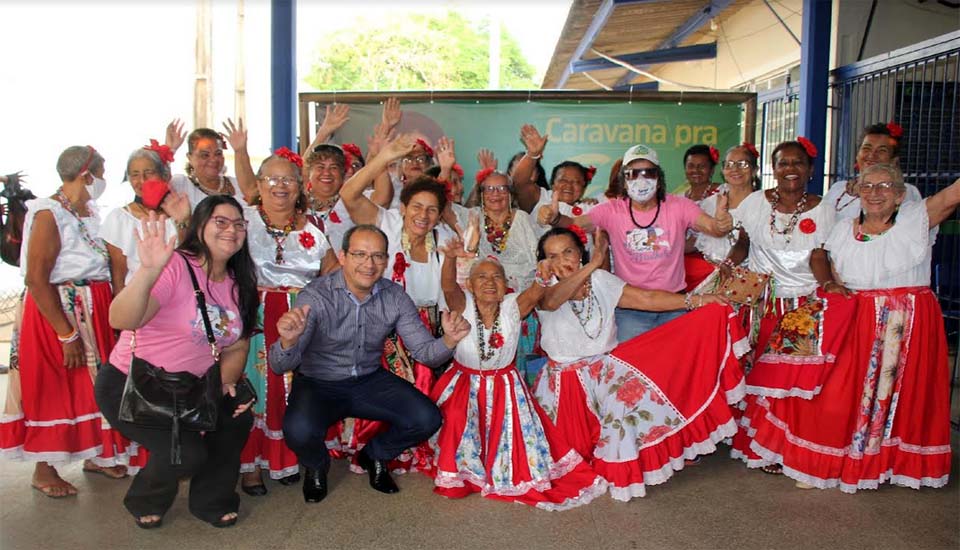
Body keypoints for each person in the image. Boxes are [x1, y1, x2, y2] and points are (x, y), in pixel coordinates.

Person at [739, 166, 960, 491]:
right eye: (867, 185)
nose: (875, 192)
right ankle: (828, 460)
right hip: (856, 322)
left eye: (885, 186)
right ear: (857, 191)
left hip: (907, 325)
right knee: (839, 394)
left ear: (900, 193)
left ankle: (887, 462)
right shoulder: (842, 230)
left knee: (900, 396)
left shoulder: (916, 220)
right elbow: (829, 269)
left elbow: (953, 194)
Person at [531, 228, 744, 500]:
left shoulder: (600, 280)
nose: (563, 260)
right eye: (553, 255)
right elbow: (551, 302)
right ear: (544, 262)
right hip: (563, 386)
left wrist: (697, 300)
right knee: (565, 463)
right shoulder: (542, 285)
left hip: (604, 371)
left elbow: (646, 298)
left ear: (580, 253)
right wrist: (594, 264)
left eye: (569, 251)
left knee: (633, 398)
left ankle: (638, 461)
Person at [269, 224, 471, 503]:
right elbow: (280, 366)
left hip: (368, 379)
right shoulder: (315, 296)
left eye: (378, 256)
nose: (369, 264)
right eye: (360, 254)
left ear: (387, 261)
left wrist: (449, 340)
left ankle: (375, 455)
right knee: (298, 430)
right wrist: (288, 342)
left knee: (427, 418)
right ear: (343, 257)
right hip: (319, 383)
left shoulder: (394, 296)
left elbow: (425, 352)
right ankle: (316, 465)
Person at [96, 196, 258, 528]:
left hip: (192, 389)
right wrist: (149, 270)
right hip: (136, 386)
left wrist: (226, 382)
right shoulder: (175, 266)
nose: (231, 230)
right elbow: (121, 318)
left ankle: (212, 500)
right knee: (185, 454)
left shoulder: (239, 283)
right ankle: (145, 497)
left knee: (235, 417)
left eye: (238, 224)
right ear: (199, 226)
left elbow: (237, 346)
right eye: (220, 221)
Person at [0, 146, 136, 497]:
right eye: (102, 173)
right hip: (59, 312)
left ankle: (95, 456)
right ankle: (44, 470)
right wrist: (66, 333)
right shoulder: (48, 213)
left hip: (94, 308)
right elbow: (37, 278)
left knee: (94, 387)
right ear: (87, 175)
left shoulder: (89, 211)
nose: (105, 181)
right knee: (56, 387)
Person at [428, 249, 606, 510]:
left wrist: (543, 277)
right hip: (463, 384)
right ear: (470, 285)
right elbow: (447, 285)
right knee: (455, 419)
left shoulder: (511, 306)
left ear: (505, 284)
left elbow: (534, 294)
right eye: (482, 277)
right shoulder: (463, 303)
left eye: (496, 277)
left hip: (505, 387)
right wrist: (451, 257)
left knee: (515, 440)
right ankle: (465, 473)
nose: (490, 282)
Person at [334, 135, 455, 472]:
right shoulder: (385, 223)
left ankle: (403, 448)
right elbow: (348, 195)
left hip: (428, 329)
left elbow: (451, 286)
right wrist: (383, 157)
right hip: (385, 328)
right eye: (416, 207)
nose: (423, 215)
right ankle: (376, 451)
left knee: (424, 400)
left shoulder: (444, 240)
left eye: (432, 210)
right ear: (403, 208)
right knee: (389, 397)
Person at [725, 138, 843, 471]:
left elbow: (819, 255)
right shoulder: (754, 203)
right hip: (762, 305)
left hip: (801, 308)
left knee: (790, 381)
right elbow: (742, 245)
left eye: (797, 163)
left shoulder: (823, 209)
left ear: (809, 169)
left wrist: (827, 286)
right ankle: (760, 445)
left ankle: (783, 447)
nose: (790, 169)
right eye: (783, 163)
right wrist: (727, 268)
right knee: (758, 375)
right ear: (773, 169)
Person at [539, 144, 734, 341]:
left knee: (674, 368)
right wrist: (556, 219)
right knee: (631, 370)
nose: (641, 180)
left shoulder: (680, 206)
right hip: (630, 308)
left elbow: (714, 228)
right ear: (624, 180)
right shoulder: (611, 210)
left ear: (658, 179)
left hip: (675, 304)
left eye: (648, 173)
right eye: (632, 174)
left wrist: (721, 223)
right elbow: (574, 225)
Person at [238, 148, 338, 494]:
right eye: (273, 179)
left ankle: (285, 459)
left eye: (289, 180)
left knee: (292, 389)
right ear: (259, 184)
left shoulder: (314, 229)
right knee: (254, 388)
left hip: (301, 316)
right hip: (255, 314)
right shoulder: (242, 220)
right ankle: (250, 467)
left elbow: (333, 274)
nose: (281, 186)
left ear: (300, 187)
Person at [100, 141, 191, 292]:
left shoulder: (183, 210)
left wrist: (182, 220)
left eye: (149, 172)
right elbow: (118, 277)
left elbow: (190, 257)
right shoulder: (119, 219)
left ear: (165, 175)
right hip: (139, 300)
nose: (142, 180)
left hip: (180, 296)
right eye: (135, 175)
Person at [824, 122, 922, 219]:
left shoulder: (904, 191)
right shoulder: (838, 189)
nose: (871, 155)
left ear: (894, 161)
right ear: (857, 155)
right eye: (866, 149)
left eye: (881, 151)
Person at [694, 143, 761, 265]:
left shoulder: (763, 204)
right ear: (723, 171)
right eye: (729, 165)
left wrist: (726, 266)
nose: (735, 169)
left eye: (742, 164)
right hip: (712, 275)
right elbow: (695, 241)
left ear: (754, 170)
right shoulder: (710, 203)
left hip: (751, 276)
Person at [164, 120, 254, 208]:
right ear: (190, 158)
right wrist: (169, 150)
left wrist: (240, 150)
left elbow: (254, 196)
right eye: (205, 155)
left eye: (218, 153)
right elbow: (157, 189)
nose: (213, 160)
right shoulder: (180, 184)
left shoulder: (238, 184)